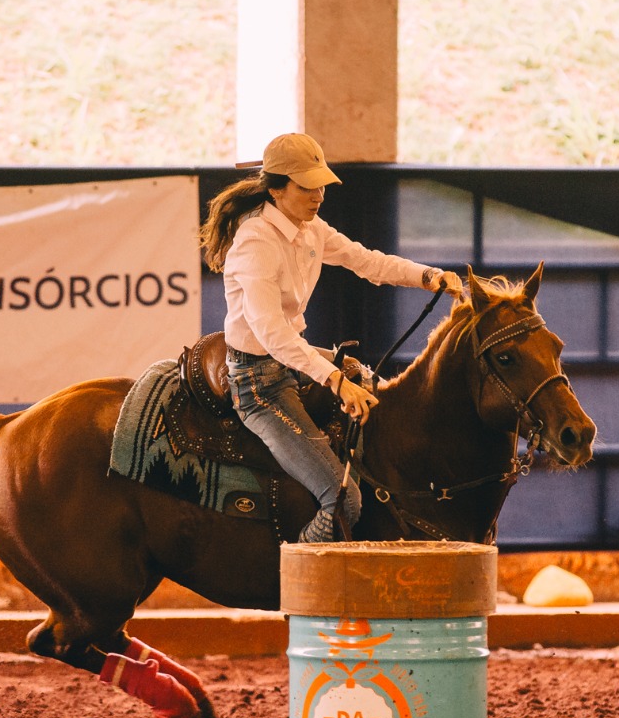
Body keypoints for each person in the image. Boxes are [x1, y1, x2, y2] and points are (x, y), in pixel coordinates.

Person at [199, 133, 464, 543]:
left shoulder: (310, 228)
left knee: (374, 389)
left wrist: (426, 275)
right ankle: (297, 585)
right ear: (276, 189)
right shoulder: (255, 241)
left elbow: (366, 261)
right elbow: (271, 332)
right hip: (258, 383)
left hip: (293, 360)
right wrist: (334, 379)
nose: (319, 194)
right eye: (307, 186)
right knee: (342, 501)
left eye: (321, 183)